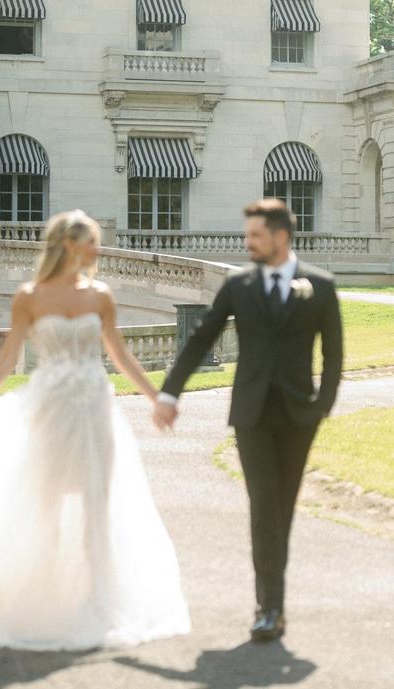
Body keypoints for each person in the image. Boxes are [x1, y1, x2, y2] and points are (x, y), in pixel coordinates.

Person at [0, 209, 190, 651]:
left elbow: (121, 356)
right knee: (47, 501)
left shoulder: (101, 296)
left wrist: (157, 399)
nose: (97, 248)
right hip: (49, 407)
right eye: (91, 241)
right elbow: (7, 356)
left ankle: (98, 600)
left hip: (93, 406)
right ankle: (44, 602)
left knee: (97, 500)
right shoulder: (30, 296)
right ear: (70, 245)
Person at [154, 198, 343, 642]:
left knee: (283, 509)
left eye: (256, 235)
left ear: (280, 236)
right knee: (264, 506)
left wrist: (322, 408)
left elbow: (334, 355)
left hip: (300, 416)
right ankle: (269, 607)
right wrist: (169, 391)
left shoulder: (320, 285)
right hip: (251, 415)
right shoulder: (238, 285)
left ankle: (273, 601)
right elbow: (201, 339)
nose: (248, 242)